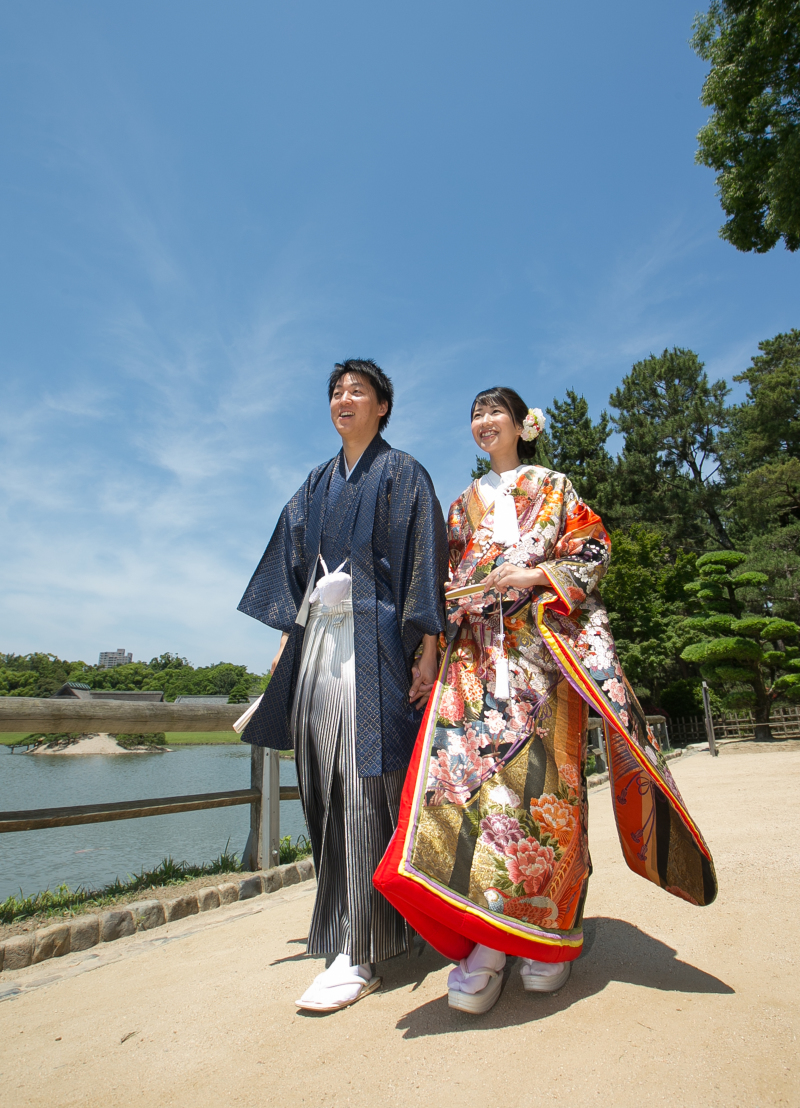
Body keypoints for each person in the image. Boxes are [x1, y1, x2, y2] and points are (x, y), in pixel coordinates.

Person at [374, 386, 717, 1015]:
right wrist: (437, 637)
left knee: (548, 791)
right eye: (474, 413)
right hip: (476, 656)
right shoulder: (462, 504)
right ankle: (486, 942)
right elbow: (440, 580)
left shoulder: (557, 487)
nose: (482, 422)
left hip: (544, 654)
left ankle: (548, 937)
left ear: (523, 425)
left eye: (493, 411)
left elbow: (593, 549)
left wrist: (531, 576)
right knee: (470, 791)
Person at [237, 359, 449, 1013]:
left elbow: (424, 559)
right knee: (324, 790)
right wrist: (282, 648)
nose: (343, 399)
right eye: (336, 391)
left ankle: (359, 951)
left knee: (367, 786)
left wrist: (430, 646)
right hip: (318, 648)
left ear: (383, 406)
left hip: (376, 647)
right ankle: (363, 932)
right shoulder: (314, 484)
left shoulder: (403, 473)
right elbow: (291, 571)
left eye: (357, 391)